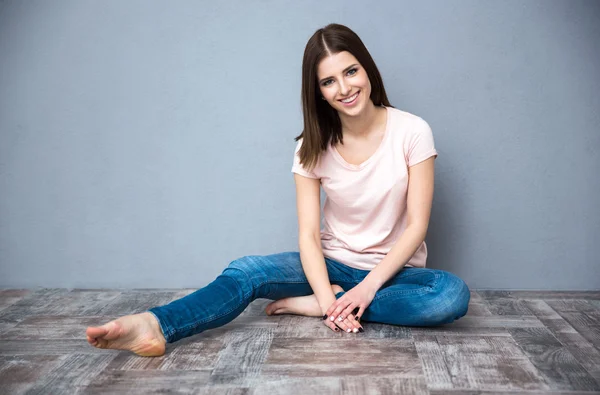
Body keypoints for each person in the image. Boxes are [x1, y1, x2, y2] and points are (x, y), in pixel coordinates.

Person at [86, 23, 470, 357]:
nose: (345, 87)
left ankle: (321, 306)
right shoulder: (310, 146)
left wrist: (361, 291)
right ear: (318, 91)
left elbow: (416, 226)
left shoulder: (412, 131)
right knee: (246, 271)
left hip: (393, 272)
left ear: (367, 69)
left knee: (449, 296)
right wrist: (326, 293)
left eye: (351, 71)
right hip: (330, 263)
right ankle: (155, 325)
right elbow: (307, 234)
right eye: (329, 81)